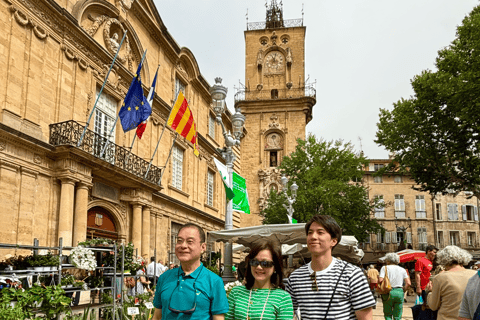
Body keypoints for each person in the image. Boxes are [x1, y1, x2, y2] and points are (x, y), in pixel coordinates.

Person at [286, 214, 375, 320]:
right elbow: (289, 314)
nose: (313, 237)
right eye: (310, 233)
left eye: (320, 232)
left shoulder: (352, 274)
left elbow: (365, 318)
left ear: (333, 241)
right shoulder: (295, 277)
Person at [152, 223, 229, 320]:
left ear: (203, 247)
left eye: (190, 241)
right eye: (179, 241)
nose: (183, 246)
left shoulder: (214, 281)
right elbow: (157, 316)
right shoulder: (165, 277)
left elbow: (218, 318)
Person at [226, 240, 293, 320]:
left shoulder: (283, 298)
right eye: (254, 262)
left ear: (275, 267)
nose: (259, 267)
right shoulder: (236, 293)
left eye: (265, 263)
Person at [426, 246, 476, 320]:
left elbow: (433, 306)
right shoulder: (475, 275)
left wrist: (430, 292)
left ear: (443, 260)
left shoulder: (440, 278)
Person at [378, 253, 411, 320]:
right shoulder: (402, 269)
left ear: (388, 260)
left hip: (388, 292)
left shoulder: (384, 268)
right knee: (398, 316)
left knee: (388, 315)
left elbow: (380, 280)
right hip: (399, 292)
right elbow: (408, 283)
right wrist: (404, 290)